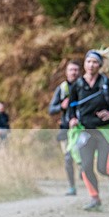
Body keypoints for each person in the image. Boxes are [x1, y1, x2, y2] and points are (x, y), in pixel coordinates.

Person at [67, 48, 109, 210]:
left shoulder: (106, 84)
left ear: (100, 65)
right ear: (84, 64)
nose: (91, 65)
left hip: (104, 131)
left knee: (103, 168)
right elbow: (72, 105)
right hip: (85, 130)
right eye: (88, 62)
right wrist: (72, 119)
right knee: (86, 166)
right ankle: (94, 198)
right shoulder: (77, 85)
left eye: (95, 62)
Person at [48, 60, 81, 195]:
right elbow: (51, 109)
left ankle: (85, 177)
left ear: (80, 72)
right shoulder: (62, 89)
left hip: (84, 127)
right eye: (71, 70)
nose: (74, 72)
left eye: (76, 70)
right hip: (66, 128)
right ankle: (72, 187)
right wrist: (62, 106)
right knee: (68, 158)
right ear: (66, 72)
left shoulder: (84, 86)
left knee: (84, 156)